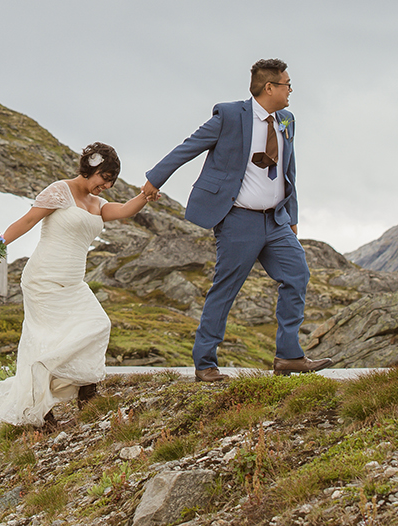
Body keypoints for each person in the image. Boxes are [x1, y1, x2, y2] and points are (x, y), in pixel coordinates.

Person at [141, 58, 330, 382]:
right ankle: (205, 364)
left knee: (297, 274)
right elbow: (190, 147)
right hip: (237, 220)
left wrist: (292, 216)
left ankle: (288, 356)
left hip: (276, 221)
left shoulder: (286, 120)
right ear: (269, 87)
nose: (290, 90)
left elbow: (289, 170)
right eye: (286, 84)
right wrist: (155, 180)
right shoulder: (229, 115)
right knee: (226, 289)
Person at [0, 142, 160, 427]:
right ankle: (41, 411)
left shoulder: (97, 204)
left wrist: (146, 194)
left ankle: (87, 390)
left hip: (73, 281)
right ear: (90, 169)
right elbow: (28, 220)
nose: (107, 185)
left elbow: (124, 210)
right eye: (104, 178)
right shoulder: (59, 190)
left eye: (112, 180)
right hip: (43, 278)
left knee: (97, 324)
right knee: (45, 341)